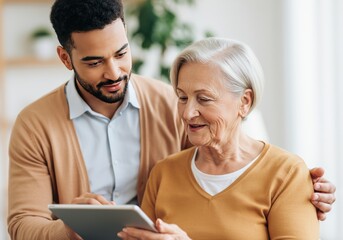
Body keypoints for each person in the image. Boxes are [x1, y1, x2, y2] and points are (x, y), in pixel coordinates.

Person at [7, 0, 335, 239]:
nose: (114, 72)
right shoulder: (36, 124)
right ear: (66, 58)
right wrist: (73, 229)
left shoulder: (169, 102)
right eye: (94, 62)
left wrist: (300, 189)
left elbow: (230, 159)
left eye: (121, 53)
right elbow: (23, 223)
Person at [118, 37, 321, 239]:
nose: (187, 113)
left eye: (204, 99)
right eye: (182, 98)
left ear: (244, 102)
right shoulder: (163, 174)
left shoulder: (287, 174)